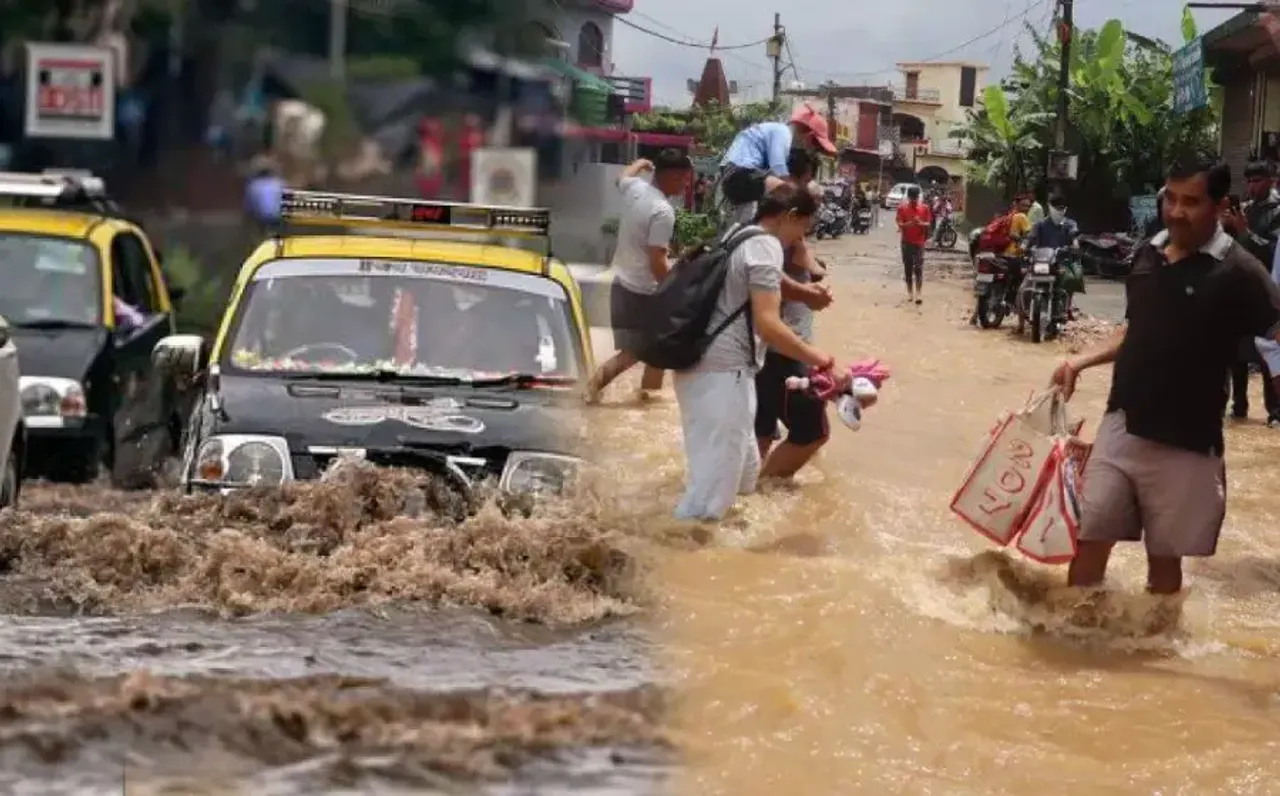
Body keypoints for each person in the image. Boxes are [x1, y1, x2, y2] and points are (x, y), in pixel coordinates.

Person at [1051, 154, 1280, 595]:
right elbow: (1135, 329)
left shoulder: (1240, 270)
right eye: (1170, 199)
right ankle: (1075, 644)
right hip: (1122, 426)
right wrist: (1077, 362)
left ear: (1219, 205)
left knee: (1164, 564)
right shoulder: (1147, 254)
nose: (1176, 212)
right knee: (1087, 540)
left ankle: (1154, 650)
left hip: (1188, 442)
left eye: (1190, 202)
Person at [673, 184, 847, 521]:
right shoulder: (767, 245)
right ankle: (683, 552)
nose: (797, 240)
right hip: (719, 375)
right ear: (790, 216)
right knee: (708, 502)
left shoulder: (741, 233)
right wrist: (824, 363)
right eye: (802, 230)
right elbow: (769, 324)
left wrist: (802, 292)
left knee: (744, 479)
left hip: (720, 372)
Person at [585, 151, 693, 403]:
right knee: (633, 352)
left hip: (622, 282)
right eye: (684, 179)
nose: (686, 185)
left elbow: (622, 177)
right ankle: (588, 392)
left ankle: (647, 398)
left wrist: (642, 163)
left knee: (661, 346)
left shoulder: (637, 190)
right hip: (643, 291)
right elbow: (657, 261)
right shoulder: (662, 211)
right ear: (673, 176)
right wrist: (678, 290)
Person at [755, 181, 832, 479]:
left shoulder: (755, 241)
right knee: (814, 431)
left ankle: (749, 491)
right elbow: (813, 273)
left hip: (762, 351)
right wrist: (822, 361)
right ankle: (763, 488)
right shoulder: (778, 245)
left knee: (762, 430)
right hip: (783, 348)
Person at [1222, 161, 1280, 421]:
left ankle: (1275, 411)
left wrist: (1246, 232)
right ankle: (1239, 406)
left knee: (1270, 350)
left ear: (1270, 180)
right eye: (1248, 181)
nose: (1251, 187)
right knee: (1237, 351)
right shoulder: (1244, 209)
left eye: (1257, 181)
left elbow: (1272, 252)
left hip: (1267, 289)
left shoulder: (1277, 212)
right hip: (1240, 289)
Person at [718, 104, 838, 224]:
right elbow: (778, 167)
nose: (812, 149)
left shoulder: (780, 135)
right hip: (740, 171)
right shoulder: (782, 132)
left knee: (753, 214)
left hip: (736, 173)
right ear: (808, 136)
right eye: (815, 145)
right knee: (783, 190)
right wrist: (799, 195)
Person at [896, 185, 931, 305]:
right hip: (906, 242)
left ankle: (919, 293)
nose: (914, 200)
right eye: (912, 198)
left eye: (915, 198)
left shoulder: (925, 208)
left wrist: (920, 223)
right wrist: (911, 223)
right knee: (908, 268)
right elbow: (900, 224)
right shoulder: (902, 208)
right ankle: (910, 293)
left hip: (919, 243)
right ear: (908, 197)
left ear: (918, 197)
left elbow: (928, 224)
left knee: (919, 268)